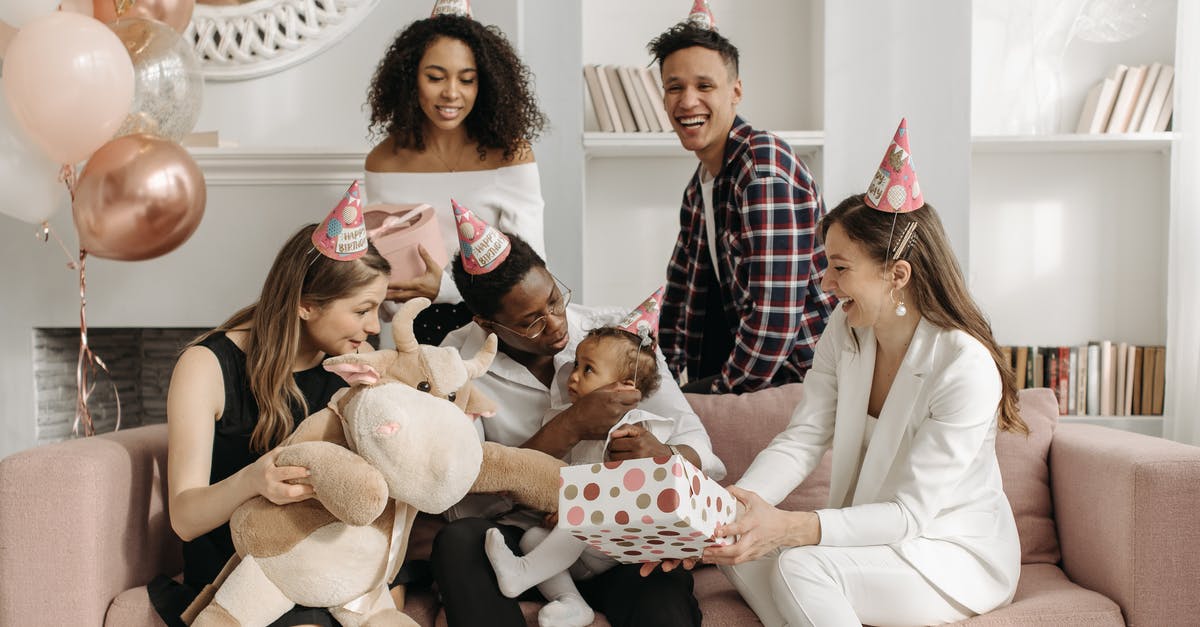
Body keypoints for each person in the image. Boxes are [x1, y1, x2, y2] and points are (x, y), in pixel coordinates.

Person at [700, 121, 1029, 627]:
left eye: (839, 268)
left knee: (800, 566)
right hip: (870, 541)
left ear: (897, 274)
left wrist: (789, 527)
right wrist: (741, 508)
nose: (825, 282)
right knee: (739, 552)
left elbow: (909, 516)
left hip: (944, 553)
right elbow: (804, 436)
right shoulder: (846, 330)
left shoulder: (964, 366)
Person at [433, 203, 725, 627]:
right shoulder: (453, 363)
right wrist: (568, 428)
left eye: (554, 299)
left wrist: (665, 455)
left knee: (661, 588)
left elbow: (701, 447)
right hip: (523, 543)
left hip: (615, 539)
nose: (555, 325)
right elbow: (461, 503)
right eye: (531, 322)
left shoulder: (614, 334)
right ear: (487, 323)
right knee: (458, 542)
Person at [148, 183, 392, 627]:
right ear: (306, 306)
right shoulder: (206, 367)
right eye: (363, 310)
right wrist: (253, 480)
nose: (373, 328)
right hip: (239, 576)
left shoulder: (348, 368)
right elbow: (184, 518)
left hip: (320, 566)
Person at [647, 2, 836, 395]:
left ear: (736, 92)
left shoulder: (762, 168)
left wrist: (716, 396)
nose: (687, 101)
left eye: (704, 86)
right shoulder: (701, 185)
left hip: (801, 381)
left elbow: (774, 320)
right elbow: (680, 295)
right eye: (674, 87)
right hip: (745, 372)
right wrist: (656, 378)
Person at [484, 293, 679, 627]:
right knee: (532, 538)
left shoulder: (634, 428)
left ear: (624, 387)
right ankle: (572, 603)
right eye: (576, 365)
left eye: (588, 370)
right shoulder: (563, 418)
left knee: (583, 516)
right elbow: (563, 474)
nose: (573, 376)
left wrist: (577, 505)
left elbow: (629, 488)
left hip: (618, 543)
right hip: (578, 547)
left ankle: (522, 574)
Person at [364, 0, 547, 346]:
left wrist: (444, 289)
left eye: (467, 80)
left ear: (486, 85)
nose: (451, 93)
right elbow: (379, 266)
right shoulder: (383, 162)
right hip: (413, 330)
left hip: (495, 327)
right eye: (435, 77)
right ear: (410, 78)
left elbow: (532, 271)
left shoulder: (510, 156)